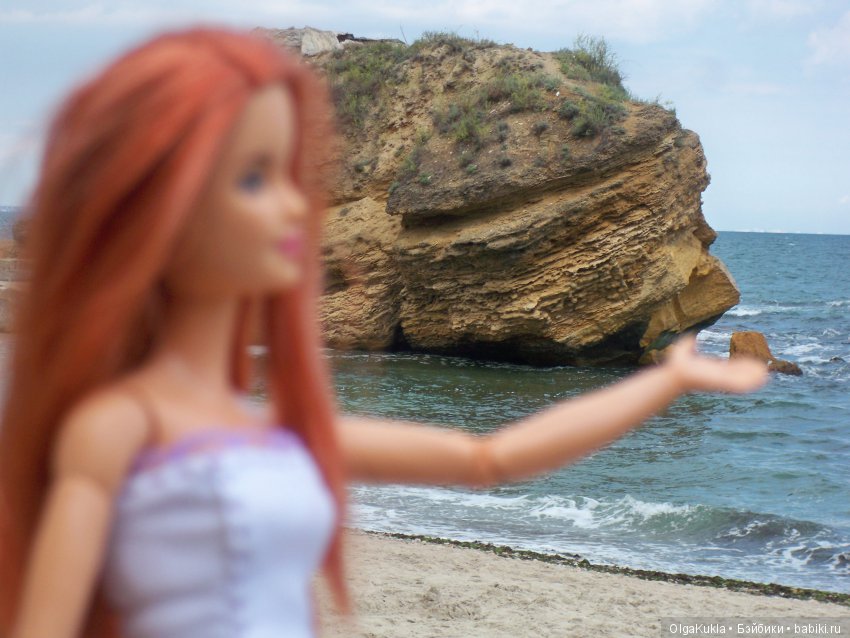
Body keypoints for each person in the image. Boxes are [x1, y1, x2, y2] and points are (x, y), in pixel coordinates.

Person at [0, 24, 768, 638]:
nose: (295, 205)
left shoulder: (280, 432)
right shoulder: (117, 429)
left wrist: (670, 379)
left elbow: (489, 459)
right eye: (253, 178)